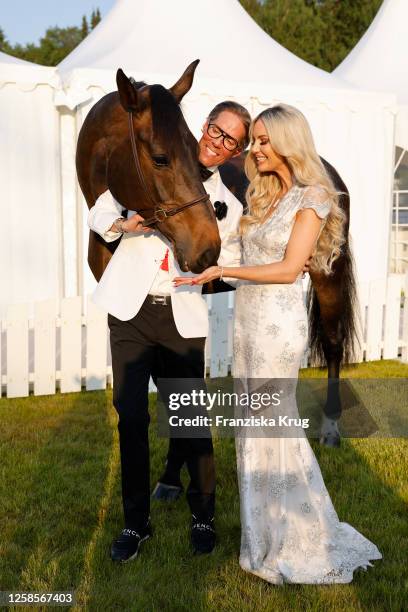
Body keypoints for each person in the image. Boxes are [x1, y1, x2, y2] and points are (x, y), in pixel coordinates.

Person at [173, 104, 382, 584]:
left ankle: (301, 537)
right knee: (252, 433)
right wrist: (189, 248)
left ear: (289, 142)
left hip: (277, 328)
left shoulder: (314, 198)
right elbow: (236, 251)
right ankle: (262, 540)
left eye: (264, 140)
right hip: (247, 324)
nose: (255, 149)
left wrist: (223, 271)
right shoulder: (263, 196)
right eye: (256, 141)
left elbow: (289, 269)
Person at [87, 100, 251, 561]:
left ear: (236, 151)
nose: (218, 144)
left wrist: (216, 269)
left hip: (181, 319)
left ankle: (203, 515)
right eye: (217, 131)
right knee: (132, 418)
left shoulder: (229, 206)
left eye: (231, 141)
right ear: (205, 127)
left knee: (190, 420)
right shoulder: (149, 165)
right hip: (130, 314)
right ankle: (135, 525)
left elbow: (233, 265)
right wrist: (125, 223)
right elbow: (99, 212)